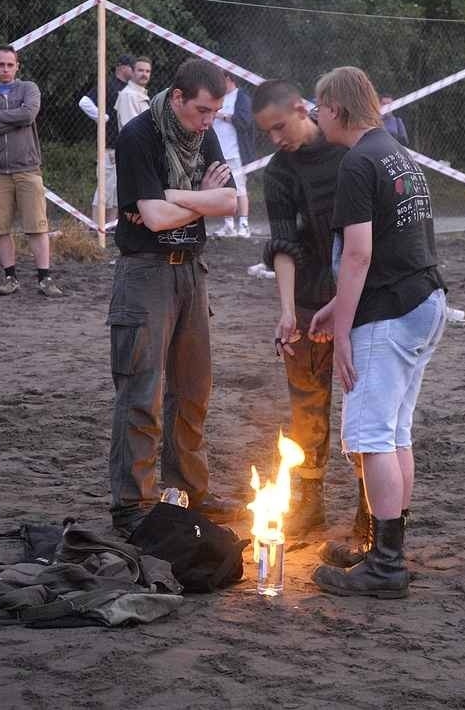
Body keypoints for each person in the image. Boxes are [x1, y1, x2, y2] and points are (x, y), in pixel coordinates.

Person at [309, 66, 446, 598]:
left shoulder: (357, 162)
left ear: (337, 110)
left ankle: (386, 567)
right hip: (423, 301)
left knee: (370, 438)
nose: (316, 115)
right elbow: (392, 245)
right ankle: (385, 548)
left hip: (391, 311)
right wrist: (335, 306)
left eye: (319, 107)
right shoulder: (395, 152)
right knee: (394, 432)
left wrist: (343, 332)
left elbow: (361, 253)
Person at [108, 58, 241, 537]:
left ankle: (188, 491)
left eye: (215, 113)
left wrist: (171, 197)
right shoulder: (138, 136)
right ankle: (133, 504)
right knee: (141, 389)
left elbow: (230, 202)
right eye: (202, 110)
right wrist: (194, 199)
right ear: (179, 97)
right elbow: (154, 220)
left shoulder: (204, 135)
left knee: (193, 388)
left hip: (192, 271)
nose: (209, 122)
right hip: (145, 273)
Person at [251, 80, 366, 537]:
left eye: (280, 127)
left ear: (303, 108)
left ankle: (369, 511)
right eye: (267, 133)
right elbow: (284, 244)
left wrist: (346, 306)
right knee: (306, 404)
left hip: (360, 301)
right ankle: (309, 501)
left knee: (363, 406)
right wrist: (287, 311)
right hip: (306, 299)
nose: (277, 139)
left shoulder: (349, 154)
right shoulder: (279, 172)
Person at [0, 45, 62, 297]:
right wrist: (15, 116)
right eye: (1, 64)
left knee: (37, 226)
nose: (5, 69)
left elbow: (29, 114)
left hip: (28, 168)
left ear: (17, 66)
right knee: (0, 228)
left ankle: (45, 278)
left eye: (10, 65)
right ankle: (9, 277)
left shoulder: (29, 89)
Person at [78, 54, 135, 222]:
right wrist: (102, 117)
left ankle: (110, 226)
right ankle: (97, 225)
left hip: (126, 147)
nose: (134, 71)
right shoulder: (108, 85)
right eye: (132, 67)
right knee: (105, 188)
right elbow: (84, 102)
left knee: (118, 190)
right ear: (122, 67)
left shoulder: (131, 90)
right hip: (109, 146)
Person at [213, 71, 256, 238]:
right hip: (220, 151)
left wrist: (222, 116)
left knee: (240, 188)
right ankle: (229, 225)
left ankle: (243, 225)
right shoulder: (218, 97)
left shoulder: (241, 97)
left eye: (220, 79)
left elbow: (245, 121)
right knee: (225, 189)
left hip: (236, 152)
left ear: (229, 79)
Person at [115, 56, 152, 130]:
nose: (144, 74)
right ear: (132, 72)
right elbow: (131, 129)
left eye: (147, 71)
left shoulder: (140, 94)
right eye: (140, 70)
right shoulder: (128, 95)